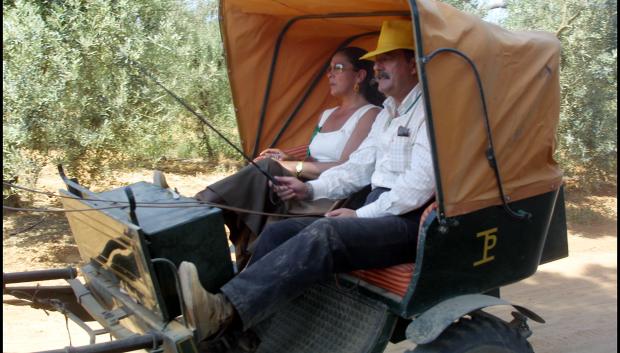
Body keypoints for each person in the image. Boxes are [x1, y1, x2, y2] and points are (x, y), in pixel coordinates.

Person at [177, 20, 435, 342]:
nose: (377, 67)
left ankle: (225, 308)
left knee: (325, 231)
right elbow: (357, 168)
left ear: (412, 63)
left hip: (408, 222)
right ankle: (239, 337)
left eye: (387, 58)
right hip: (377, 210)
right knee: (278, 233)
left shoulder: (430, 111)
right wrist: (310, 187)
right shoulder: (386, 114)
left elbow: (419, 185)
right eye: (376, 60)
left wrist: (360, 215)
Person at [192, 47, 383, 269]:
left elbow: (345, 166)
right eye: (329, 69)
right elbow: (313, 158)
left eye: (338, 68)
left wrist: (292, 166)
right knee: (264, 172)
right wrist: (289, 157)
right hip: (303, 180)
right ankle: (208, 215)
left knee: (267, 169)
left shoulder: (370, 114)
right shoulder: (327, 114)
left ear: (359, 75)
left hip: (330, 193)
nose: (330, 74)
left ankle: (199, 205)